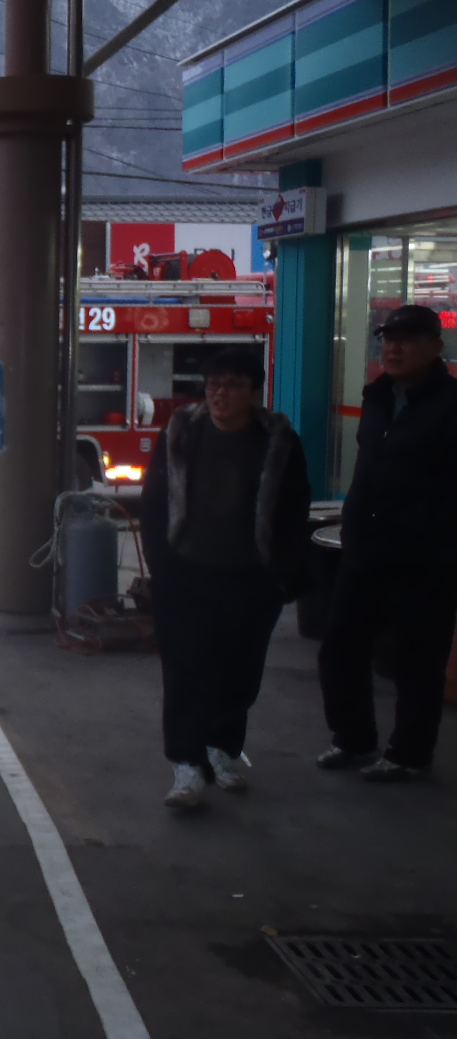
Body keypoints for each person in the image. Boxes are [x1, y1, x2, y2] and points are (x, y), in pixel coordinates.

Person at [139, 347, 311, 809]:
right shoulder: (180, 433)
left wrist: (281, 575)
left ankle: (222, 749)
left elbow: (294, 510)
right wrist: (160, 566)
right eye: (214, 384)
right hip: (186, 576)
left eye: (233, 385)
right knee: (184, 671)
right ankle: (186, 764)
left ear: (255, 393)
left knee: (241, 672)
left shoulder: (278, 442)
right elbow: (154, 504)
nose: (220, 394)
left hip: (250, 579)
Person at [318, 303, 457, 782]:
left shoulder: (450, 405)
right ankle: (353, 739)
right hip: (365, 549)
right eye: (388, 340)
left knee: (416, 660)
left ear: (435, 348)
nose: (393, 349)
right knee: (340, 647)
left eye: (407, 340)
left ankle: (409, 755)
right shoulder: (377, 397)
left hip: (425, 557)